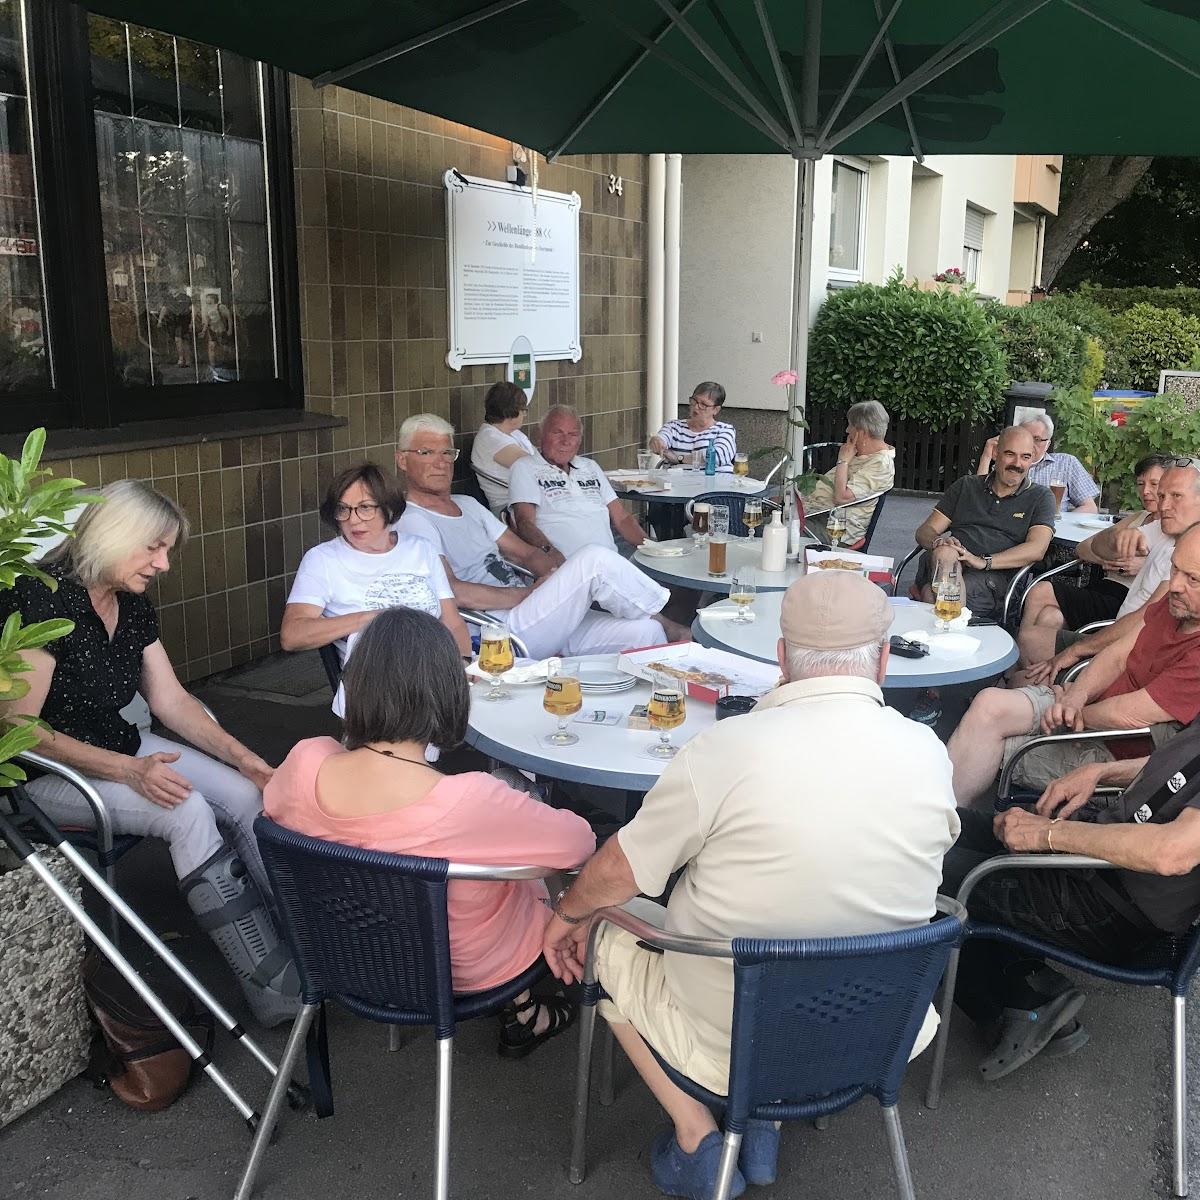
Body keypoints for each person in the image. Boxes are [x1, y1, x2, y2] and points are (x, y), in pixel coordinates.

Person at [542, 572, 959, 1198]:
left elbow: (615, 872)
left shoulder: (725, 749)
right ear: (880, 659)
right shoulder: (927, 750)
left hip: (731, 1032)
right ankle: (759, 1122)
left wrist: (568, 914)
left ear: (782, 658)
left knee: (602, 927)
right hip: (878, 1026)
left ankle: (695, 1133)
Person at [1, 481, 298, 1026]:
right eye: (153, 547)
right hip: (47, 770)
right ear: (115, 537)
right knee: (186, 813)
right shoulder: (37, 597)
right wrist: (129, 771)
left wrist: (242, 756)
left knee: (242, 793)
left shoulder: (131, 603)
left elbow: (172, 701)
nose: (163, 563)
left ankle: (300, 941)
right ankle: (273, 987)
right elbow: (22, 729)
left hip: (119, 745)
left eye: (168, 550)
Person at [266, 608, 595, 1055]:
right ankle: (528, 1008)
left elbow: (285, 810)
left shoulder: (303, 762)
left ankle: (522, 1009)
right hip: (464, 969)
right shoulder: (468, 799)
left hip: (347, 956)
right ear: (446, 693)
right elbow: (578, 843)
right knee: (529, 836)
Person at [942, 721, 1200, 1078]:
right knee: (946, 825)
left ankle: (1010, 1007)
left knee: (922, 872)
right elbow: (1181, 767)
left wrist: (1049, 834)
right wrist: (1102, 770)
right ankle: (1028, 990)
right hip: (1097, 866)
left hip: (1110, 907)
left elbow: (1173, 853)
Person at [947, 523, 1200, 808]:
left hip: (1117, 752)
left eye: (1193, 579)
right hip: (1088, 712)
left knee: (986, 744)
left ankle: (949, 832)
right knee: (987, 704)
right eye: (1175, 569)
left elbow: (1130, 716)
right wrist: (1077, 695)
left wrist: (1070, 715)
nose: (1175, 585)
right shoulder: (1177, 605)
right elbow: (1117, 655)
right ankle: (942, 826)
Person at [394, 414, 688, 659]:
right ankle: (672, 621)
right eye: (426, 452)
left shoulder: (467, 505)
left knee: (646, 634)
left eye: (447, 452)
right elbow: (454, 592)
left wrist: (557, 578)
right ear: (402, 460)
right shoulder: (412, 519)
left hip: (535, 612)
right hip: (499, 629)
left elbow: (525, 553)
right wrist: (529, 594)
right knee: (595, 559)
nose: (441, 462)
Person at [281, 463, 472, 713]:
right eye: (344, 509)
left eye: (365, 508)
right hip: (376, 689)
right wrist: (375, 618)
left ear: (388, 508)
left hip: (436, 673)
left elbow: (453, 622)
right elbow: (292, 635)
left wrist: (463, 666)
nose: (353, 520)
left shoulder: (421, 549)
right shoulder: (323, 560)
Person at [1023, 461, 1200, 686]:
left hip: (1128, 653)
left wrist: (1078, 649)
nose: (1164, 506)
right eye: (1162, 495)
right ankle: (1041, 694)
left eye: (1176, 496)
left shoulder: (1189, 556)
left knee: (1028, 648)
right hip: (1115, 633)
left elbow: (1144, 620)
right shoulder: (1163, 528)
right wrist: (1117, 539)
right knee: (1035, 639)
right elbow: (1093, 546)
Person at [914, 425, 1056, 619]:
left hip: (994, 579)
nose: (1017, 464)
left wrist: (983, 562)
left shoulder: (1040, 496)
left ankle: (946, 629)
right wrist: (938, 541)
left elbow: (1037, 549)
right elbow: (925, 530)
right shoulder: (967, 485)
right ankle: (952, 632)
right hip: (947, 564)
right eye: (1010, 454)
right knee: (945, 553)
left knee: (930, 596)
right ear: (996, 453)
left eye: (1025, 457)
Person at [509, 404, 648, 562]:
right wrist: (550, 554)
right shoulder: (525, 467)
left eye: (573, 434)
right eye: (557, 432)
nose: (566, 441)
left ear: (580, 440)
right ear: (540, 434)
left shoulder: (590, 467)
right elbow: (525, 523)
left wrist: (654, 548)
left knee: (661, 583)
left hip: (609, 563)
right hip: (565, 565)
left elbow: (621, 518)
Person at [804, 400, 895, 548]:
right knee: (768, 516)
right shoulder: (863, 454)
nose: (847, 430)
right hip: (815, 514)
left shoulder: (880, 465)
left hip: (834, 530)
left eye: (850, 425)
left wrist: (843, 461)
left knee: (769, 529)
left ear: (862, 433)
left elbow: (841, 497)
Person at [976, 413, 1099, 513]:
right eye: (1025, 437)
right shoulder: (1008, 464)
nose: (1030, 444)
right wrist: (987, 456)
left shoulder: (1065, 463)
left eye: (1037, 439)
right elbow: (978, 498)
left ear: (1047, 444)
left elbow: (1090, 508)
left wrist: (1056, 521)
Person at [470, 380, 536, 513]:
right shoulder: (490, 438)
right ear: (512, 412)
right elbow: (533, 466)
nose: (524, 415)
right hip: (509, 507)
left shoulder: (515, 434)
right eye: (523, 410)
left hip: (529, 499)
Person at [648, 382, 737, 468]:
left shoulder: (724, 430)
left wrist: (679, 458)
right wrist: (657, 442)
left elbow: (717, 457)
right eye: (694, 401)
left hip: (715, 481)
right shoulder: (674, 426)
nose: (696, 407)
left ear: (716, 410)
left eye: (703, 404)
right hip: (677, 481)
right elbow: (662, 438)